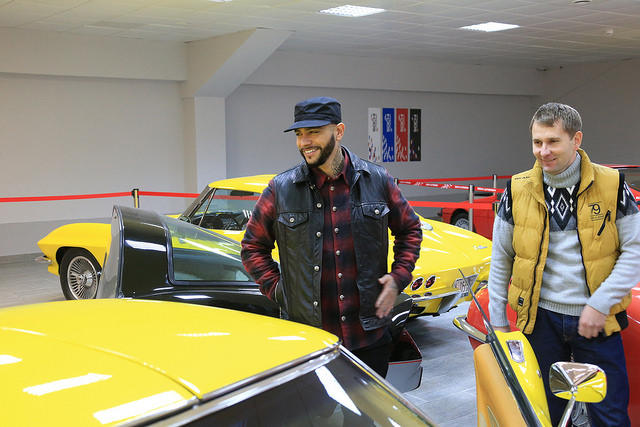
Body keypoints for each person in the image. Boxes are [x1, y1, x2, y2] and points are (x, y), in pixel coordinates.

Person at [241, 96, 422, 377]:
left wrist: (398, 278)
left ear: (338, 131)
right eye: (299, 134)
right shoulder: (281, 189)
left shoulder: (377, 180)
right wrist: (279, 291)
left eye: (313, 132)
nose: (304, 142)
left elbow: (410, 229)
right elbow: (252, 247)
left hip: (368, 337)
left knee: (366, 407)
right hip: (309, 341)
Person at [488, 102, 640, 426]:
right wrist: (498, 324)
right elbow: (501, 259)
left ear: (576, 139)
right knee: (545, 414)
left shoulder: (613, 185)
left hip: (597, 322)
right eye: (537, 142)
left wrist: (600, 304)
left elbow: (635, 251)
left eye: (553, 141)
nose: (543, 151)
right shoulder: (516, 189)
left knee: (610, 416)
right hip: (539, 322)